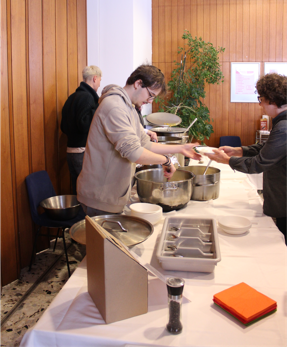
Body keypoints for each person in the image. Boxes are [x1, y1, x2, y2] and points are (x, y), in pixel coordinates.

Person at [77, 64, 201, 216]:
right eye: (151, 95)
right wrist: (166, 161)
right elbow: (134, 152)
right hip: (100, 195)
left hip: (111, 193)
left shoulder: (129, 107)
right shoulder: (114, 107)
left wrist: (180, 148)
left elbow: (145, 144)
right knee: (104, 240)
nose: (150, 101)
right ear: (138, 84)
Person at [207, 73, 287, 244]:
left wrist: (227, 161)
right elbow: (267, 148)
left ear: (271, 100)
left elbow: (259, 164)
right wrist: (237, 151)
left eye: (261, 100)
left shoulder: (283, 127)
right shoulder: (281, 122)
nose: (261, 105)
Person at [61, 65, 102, 194]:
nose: (100, 84)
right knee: (88, 192)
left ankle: (79, 215)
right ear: (95, 78)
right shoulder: (87, 97)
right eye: (100, 80)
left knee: (77, 191)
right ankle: (85, 216)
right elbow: (84, 125)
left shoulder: (72, 97)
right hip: (82, 152)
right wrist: (99, 107)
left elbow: (63, 126)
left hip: (70, 152)